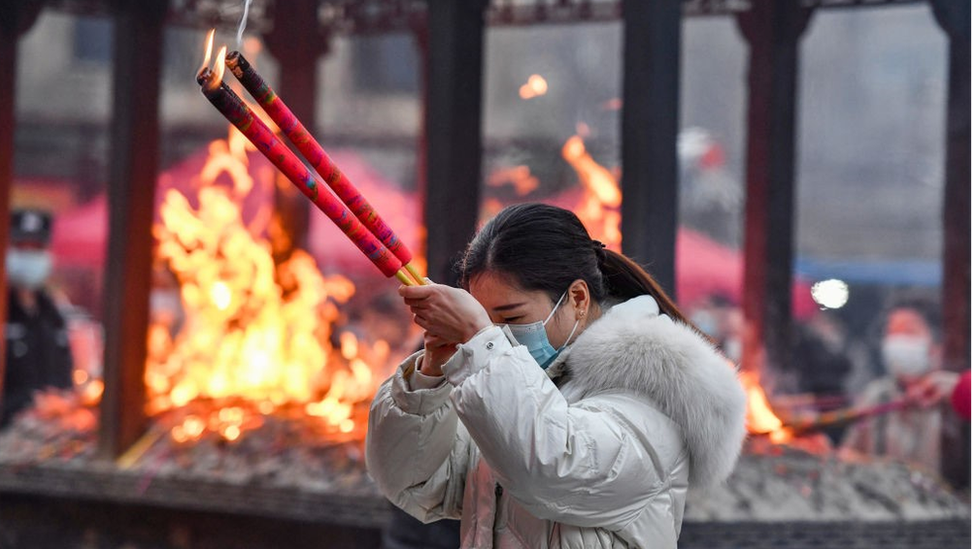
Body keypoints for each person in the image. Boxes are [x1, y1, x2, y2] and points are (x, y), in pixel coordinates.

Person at [367, 203, 747, 548]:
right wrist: (430, 374)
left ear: (578, 299)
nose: (499, 334)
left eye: (512, 318)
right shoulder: (511, 383)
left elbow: (550, 470)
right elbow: (415, 482)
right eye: (485, 318)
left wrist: (480, 340)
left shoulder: (650, 391)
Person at [841, 295, 946, 473]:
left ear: (937, 346)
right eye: (891, 332)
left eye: (908, 332)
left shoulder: (951, 398)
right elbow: (848, 457)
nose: (897, 342)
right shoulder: (878, 395)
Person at [2, 208, 74, 428]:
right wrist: (28, 402)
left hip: (45, 441)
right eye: (21, 247)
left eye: (36, 248)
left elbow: (63, 378)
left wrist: (62, 400)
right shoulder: (6, 311)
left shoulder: (53, 314)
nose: (29, 256)